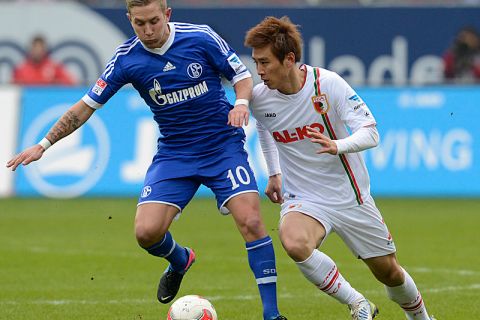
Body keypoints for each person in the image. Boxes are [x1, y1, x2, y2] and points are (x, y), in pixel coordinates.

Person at [6, 2, 286, 319]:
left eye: (154, 21)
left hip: (222, 146)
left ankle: (271, 314)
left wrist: (241, 103)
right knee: (146, 233)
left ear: (167, 15)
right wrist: (44, 144)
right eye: (140, 23)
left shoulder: (201, 38)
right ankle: (180, 260)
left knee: (250, 221)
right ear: (130, 20)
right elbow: (85, 107)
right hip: (175, 153)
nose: (148, 30)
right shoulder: (127, 59)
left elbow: (241, 76)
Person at [244, 16, 437, 320]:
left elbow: (371, 131)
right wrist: (274, 172)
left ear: (289, 59)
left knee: (389, 273)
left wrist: (339, 145)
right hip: (304, 197)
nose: (260, 71)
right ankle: (358, 303)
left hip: (351, 197)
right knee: (294, 241)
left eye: (265, 62)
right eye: (256, 63)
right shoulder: (259, 98)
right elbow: (265, 126)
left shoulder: (327, 84)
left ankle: (422, 318)